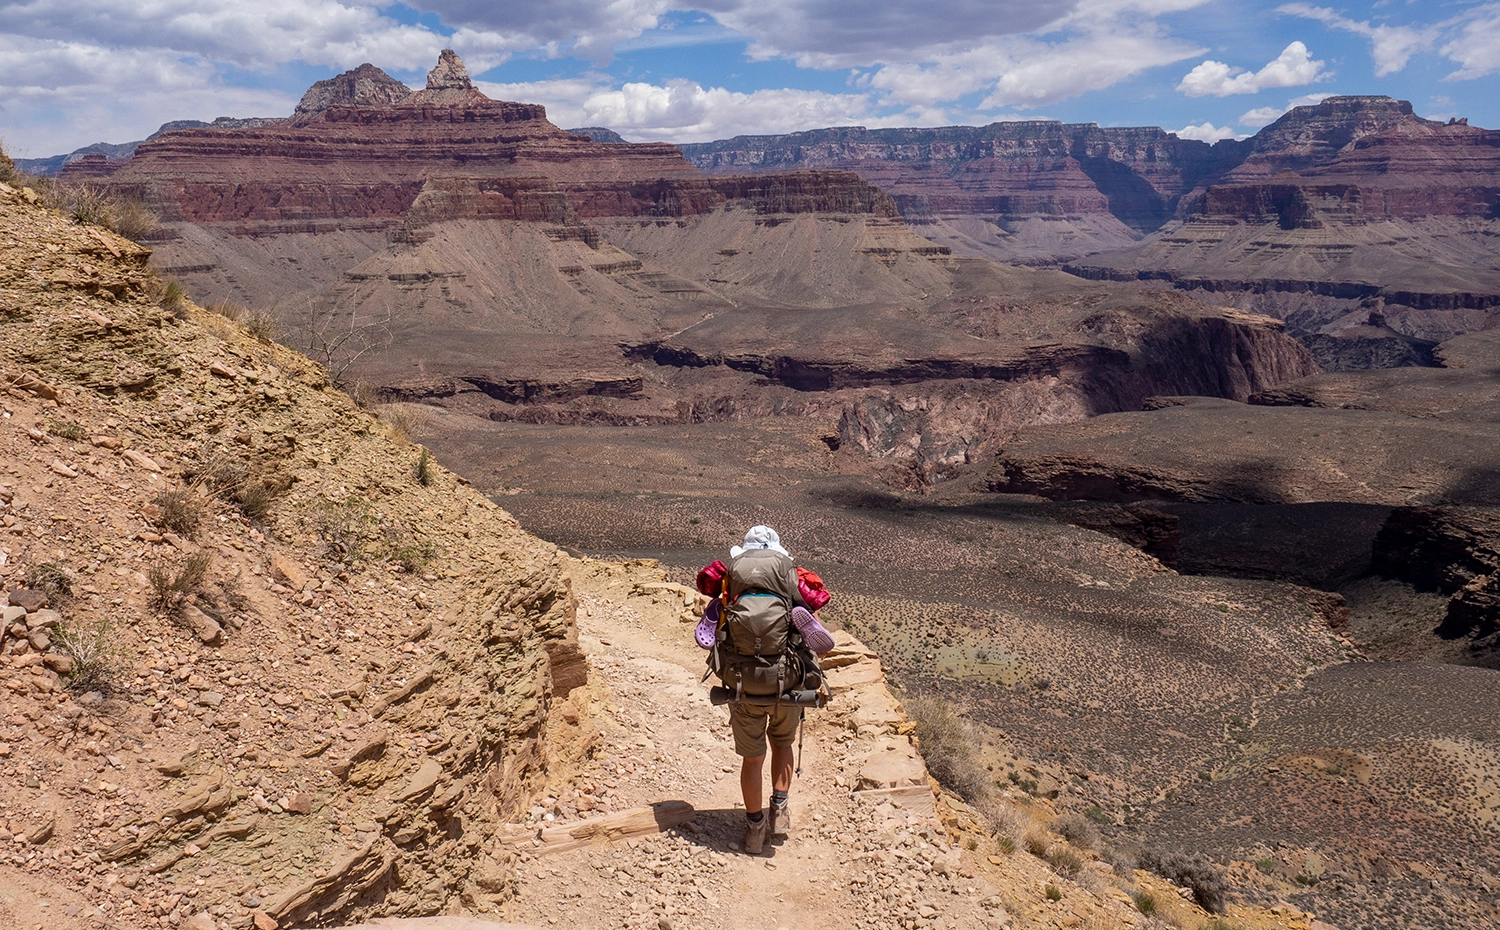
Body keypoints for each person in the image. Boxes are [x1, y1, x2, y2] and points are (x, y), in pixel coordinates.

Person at [695, 525, 834, 854]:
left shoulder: (732, 579)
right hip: (786, 681)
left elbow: (708, 604)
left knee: (753, 759)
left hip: (742, 683)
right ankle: (780, 809)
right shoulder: (790, 576)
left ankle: (755, 828)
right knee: (782, 743)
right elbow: (820, 615)